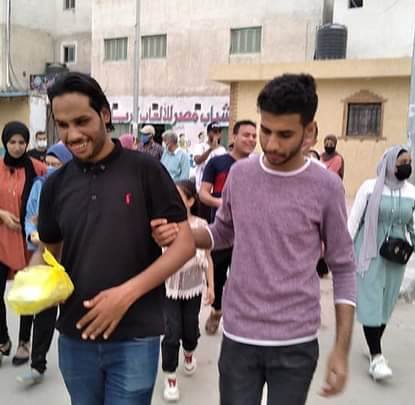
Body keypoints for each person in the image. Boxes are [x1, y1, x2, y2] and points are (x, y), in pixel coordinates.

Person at [153, 74, 357, 404]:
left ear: (309, 132)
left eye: (285, 134)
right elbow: (222, 233)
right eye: (266, 131)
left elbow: (344, 267)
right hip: (239, 336)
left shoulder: (326, 187)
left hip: (295, 342)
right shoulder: (241, 175)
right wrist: (182, 233)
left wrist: (341, 349)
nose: (271, 144)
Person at [33, 72, 195, 404]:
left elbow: (185, 244)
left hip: (134, 337)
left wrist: (125, 295)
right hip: (75, 336)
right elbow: (48, 255)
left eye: (82, 121)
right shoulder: (55, 185)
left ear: (105, 114)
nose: (72, 135)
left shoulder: (144, 170)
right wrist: (33, 280)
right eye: (63, 125)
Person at [347, 146, 415, 381]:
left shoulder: (411, 192)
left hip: (396, 253)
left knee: (386, 302)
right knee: (371, 300)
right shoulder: (369, 187)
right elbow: (353, 221)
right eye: (402, 162)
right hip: (368, 251)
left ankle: (373, 343)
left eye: (409, 162)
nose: (407, 166)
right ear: (390, 163)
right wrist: (341, 251)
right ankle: (376, 357)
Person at [0, 121, 47, 372]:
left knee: (27, 292)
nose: (17, 147)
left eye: (21, 142)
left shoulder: (38, 168)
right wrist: (0, 214)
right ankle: (2, 341)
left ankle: (24, 342)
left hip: (27, 242)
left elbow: (51, 196)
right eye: (12, 142)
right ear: (5, 142)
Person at [19, 143, 73, 385]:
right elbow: (30, 217)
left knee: (72, 312)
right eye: (48, 163)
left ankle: (78, 360)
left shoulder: (76, 188)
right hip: (47, 257)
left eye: (56, 164)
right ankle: (37, 364)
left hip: (72, 258)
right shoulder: (39, 186)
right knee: (44, 311)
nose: (50, 168)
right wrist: (33, 232)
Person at [198, 119, 257, 335]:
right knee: (218, 275)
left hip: (248, 233)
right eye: (246, 135)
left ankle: (240, 320)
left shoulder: (259, 166)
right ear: (234, 136)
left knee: (245, 278)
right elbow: (203, 193)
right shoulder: (217, 163)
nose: (251, 139)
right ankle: (217, 311)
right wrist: (222, 203)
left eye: (254, 136)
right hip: (221, 230)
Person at [161, 179, 215, 402]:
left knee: (190, 331)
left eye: (179, 197)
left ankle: (189, 352)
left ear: (191, 201)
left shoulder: (201, 226)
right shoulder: (164, 226)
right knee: (171, 333)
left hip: (193, 288)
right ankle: (171, 377)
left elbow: (208, 259)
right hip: (169, 289)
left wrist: (211, 286)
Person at [192, 122, 227, 192]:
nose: (217, 134)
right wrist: (210, 149)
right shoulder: (200, 146)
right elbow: (197, 160)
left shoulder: (222, 150)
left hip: (216, 189)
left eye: (219, 131)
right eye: (214, 131)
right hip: (201, 188)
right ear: (208, 133)